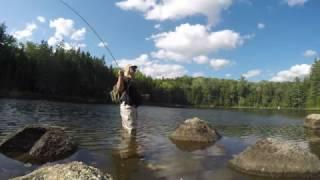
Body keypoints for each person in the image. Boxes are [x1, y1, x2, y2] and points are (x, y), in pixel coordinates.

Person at [116, 64, 142, 136]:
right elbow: (119, 89)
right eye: (133, 68)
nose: (135, 70)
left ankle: (127, 146)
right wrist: (120, 76)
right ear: (128, 69)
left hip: (132, 109)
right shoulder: (125, 79)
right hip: (128, 108)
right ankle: (130, 146)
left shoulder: (132, 81)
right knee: (131, 131)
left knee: (128, 131)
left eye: (135, 69)